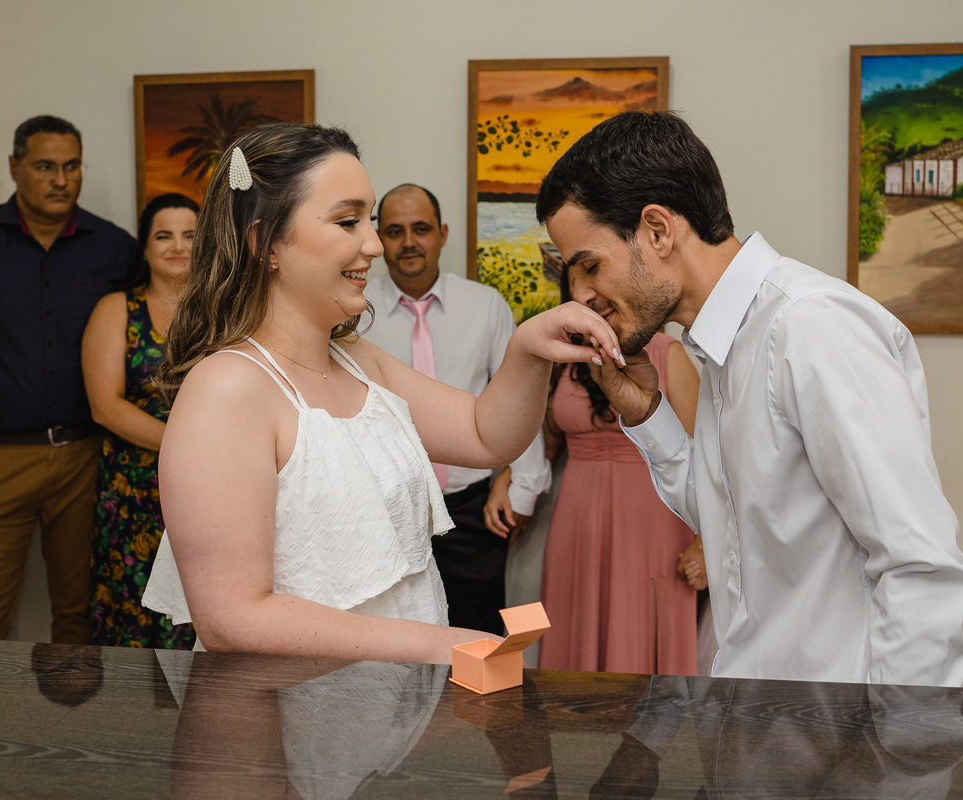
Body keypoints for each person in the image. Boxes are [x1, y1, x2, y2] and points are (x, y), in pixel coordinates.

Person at [140, 123, 620, 662]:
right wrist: (443, 645)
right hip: (288, 723)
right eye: (348, 221)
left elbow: (487, 436)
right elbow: (232, 616)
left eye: (368, 220)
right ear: (263, 243)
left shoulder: (357, 359)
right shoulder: (227, 389)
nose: (372, 244)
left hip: (383, 710)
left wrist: (528, 349)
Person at [535, 110, 963, 687]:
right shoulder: (724, 341)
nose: (579, 296)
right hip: (762, 724)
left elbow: (923, 570)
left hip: (839, 742)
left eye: (588, 266)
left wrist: (894, 759)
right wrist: (647, 413)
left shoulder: (809, 327)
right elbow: (736, 521)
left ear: (658, 230)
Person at [0, 115, 136, 643]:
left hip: (86, 457)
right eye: (45, 166)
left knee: (82, 615)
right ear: (15, 168)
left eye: (72, 166)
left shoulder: (114, 249)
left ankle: (73, 727)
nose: (61, 180)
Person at [493, 268, 704, 676]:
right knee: (575, 630)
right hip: (577, 523)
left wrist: (704, 547)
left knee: (639, 635)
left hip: (651, 525)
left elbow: (705, 459)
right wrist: (507, 476)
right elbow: (546, 442)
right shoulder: (563, 359)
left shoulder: (667, 353)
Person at [365, 183, 551, 635]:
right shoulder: (356, 312)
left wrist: (522, 486)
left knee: (478, 639)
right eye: (394, 231)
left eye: (421, 229)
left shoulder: (484, 305)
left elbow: (515, 396)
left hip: (472, 512)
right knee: (394, 637)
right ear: (378, 240)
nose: (409, 242)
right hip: (384, 509)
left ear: (443, 234)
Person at [82, 192, 200, 649]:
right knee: (132, 611)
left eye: (190, 235)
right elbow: (105, 406)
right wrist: (186, 446)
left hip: (211, 485)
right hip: (134, 488)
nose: (177, 246)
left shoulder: (225, 311)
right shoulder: (117, 310)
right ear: (145, 247)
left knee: (205, 606)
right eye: (163, 235)